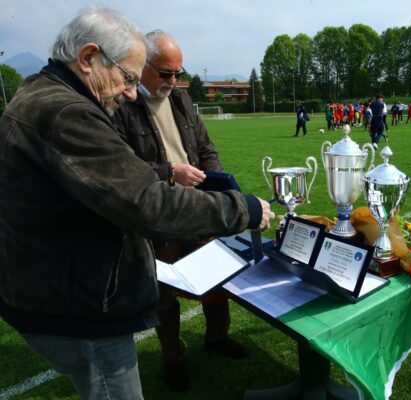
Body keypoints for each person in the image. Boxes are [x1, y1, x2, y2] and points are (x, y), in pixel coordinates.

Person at [0, 8, 275, 400]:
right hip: (78, 307)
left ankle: (213, 339)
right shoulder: (66, 111)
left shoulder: (40, 93)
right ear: (88, 57)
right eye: (129, 77)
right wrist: (243, 209)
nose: (131, 92)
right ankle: (173, 357)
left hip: (59, 292)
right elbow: (148, 203)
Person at [114, 30, 246, 392]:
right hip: (157, 215)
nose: (173, 82)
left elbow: (205, 147)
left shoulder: (183, 100)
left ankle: (216, 338)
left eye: (178, 73)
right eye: (165, 73)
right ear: (142, 65)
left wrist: (215, 183)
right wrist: (170, 172)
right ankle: (173, 357)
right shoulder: (120, 105)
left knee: (217, 279)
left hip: (198, 209)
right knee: (165, 293)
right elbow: (122, 168)